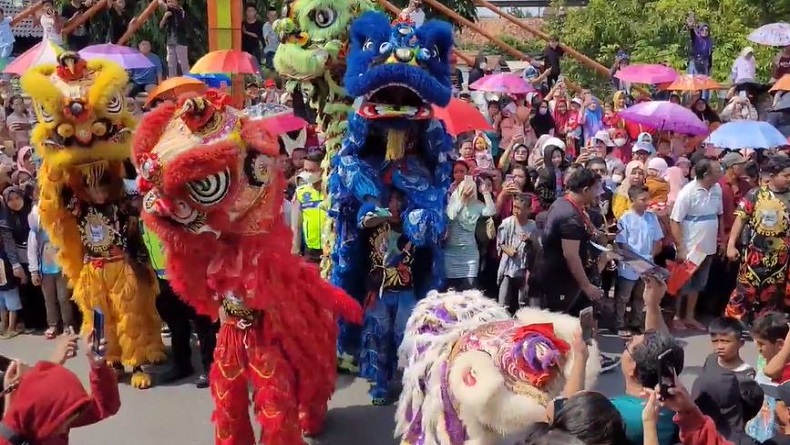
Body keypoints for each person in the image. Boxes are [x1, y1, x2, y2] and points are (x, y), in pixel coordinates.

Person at [0, 332, 120, 445]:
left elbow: (105, 406)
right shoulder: (47, 417)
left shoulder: (52, 417)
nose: (64, 429)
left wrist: (98, 367)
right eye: (62, 422)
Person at [358, 189, 416, 405]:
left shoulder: (413, 226)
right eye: (391, 200)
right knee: (380, 339)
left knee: (406, 340)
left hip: (406, 291)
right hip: (380, 291)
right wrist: (381, 215)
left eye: (399, 200)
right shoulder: (374, 224)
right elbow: (364, 222)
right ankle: (381, 386)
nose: (395, 204)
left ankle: (409, 387)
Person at [611, 276, 683, 445]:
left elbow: (565, 415)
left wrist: (580, 357)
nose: (630, 339)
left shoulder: (614, 412)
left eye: (628, 345)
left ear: (633, 367)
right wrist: (652, 304)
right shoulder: (675, 402)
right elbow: (660, 347)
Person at [726, 155, 790, 324]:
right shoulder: (755, 194)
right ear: (772, 175)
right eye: (785, 176)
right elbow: (740, 219)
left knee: (772, 293)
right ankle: (735, 325)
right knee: (744, 290)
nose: (789, 179)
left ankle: (765, 326)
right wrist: (731, 244)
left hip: (781, 257)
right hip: (754, 254)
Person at [670, 157, 722, 331]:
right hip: (691, 246)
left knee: (699, 283)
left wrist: (721, 239)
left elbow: (719, 215)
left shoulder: (717, 189)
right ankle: (677, 316)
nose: (721, 173)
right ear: (706, 174)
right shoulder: (687, 192)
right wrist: (681, 247)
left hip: (708, 247)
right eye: (717, 171)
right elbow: (675, 220)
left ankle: (689, 316)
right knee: (682, 282)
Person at [615, 186, 663, 336]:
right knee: (623, 296)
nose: (647, 202)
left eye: (648, 199)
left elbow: (657, 240)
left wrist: (649, 258)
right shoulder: (625, 219)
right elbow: (622, 244)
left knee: (641, 296)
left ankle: (636, 322)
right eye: (643, 200)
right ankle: (619, 324)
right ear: (632, 200)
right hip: (629, 263)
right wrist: (635, 260)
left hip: (647, 263)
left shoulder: (652, 218)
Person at [28, 191, 74, 339]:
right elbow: (32, 251)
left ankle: (68, 324)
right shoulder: (36, 232)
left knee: (63, 298)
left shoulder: (62, 228)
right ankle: (53, 324)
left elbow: (68, 247)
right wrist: (34, 271)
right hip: (45, 271)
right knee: (49, 299)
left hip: (61, 269)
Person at [496, 193, 537, 314]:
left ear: (528, 209)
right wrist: (507, 249)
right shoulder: (507, 223)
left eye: (519, 208)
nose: (516, 211)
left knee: (523, 301)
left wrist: (530, 241)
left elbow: (538, 246)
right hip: (508, 268)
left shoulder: (533, 226)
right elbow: (499, 243)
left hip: (524, 269)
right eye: (514, 207)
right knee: (503, 302)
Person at [291, 152, 326, 263]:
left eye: (311, 171)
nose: (307, 174)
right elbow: (296, 226)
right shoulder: (301, 193)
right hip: (311, 251)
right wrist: (295, 250)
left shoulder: (333, 191)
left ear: (323, 170)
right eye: (305, 170)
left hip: (331, 249)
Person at [704, 316, 756, 381]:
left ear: (741, 343)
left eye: (725, 341)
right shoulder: (711, 359)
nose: (719, 346)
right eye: (715, 341)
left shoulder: (747, 373)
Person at [159, 0, 189, 77]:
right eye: (168, 2)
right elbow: (161, 26)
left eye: (171, 1)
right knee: (171, 63)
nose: (169, 3)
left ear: (176, 2)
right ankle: (171, 80)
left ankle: (187, 78)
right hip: (170, 40)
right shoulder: (170, 14)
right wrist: (165, 17)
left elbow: (161, 3)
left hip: (180, 40)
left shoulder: (177, 10)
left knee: (183, 62)